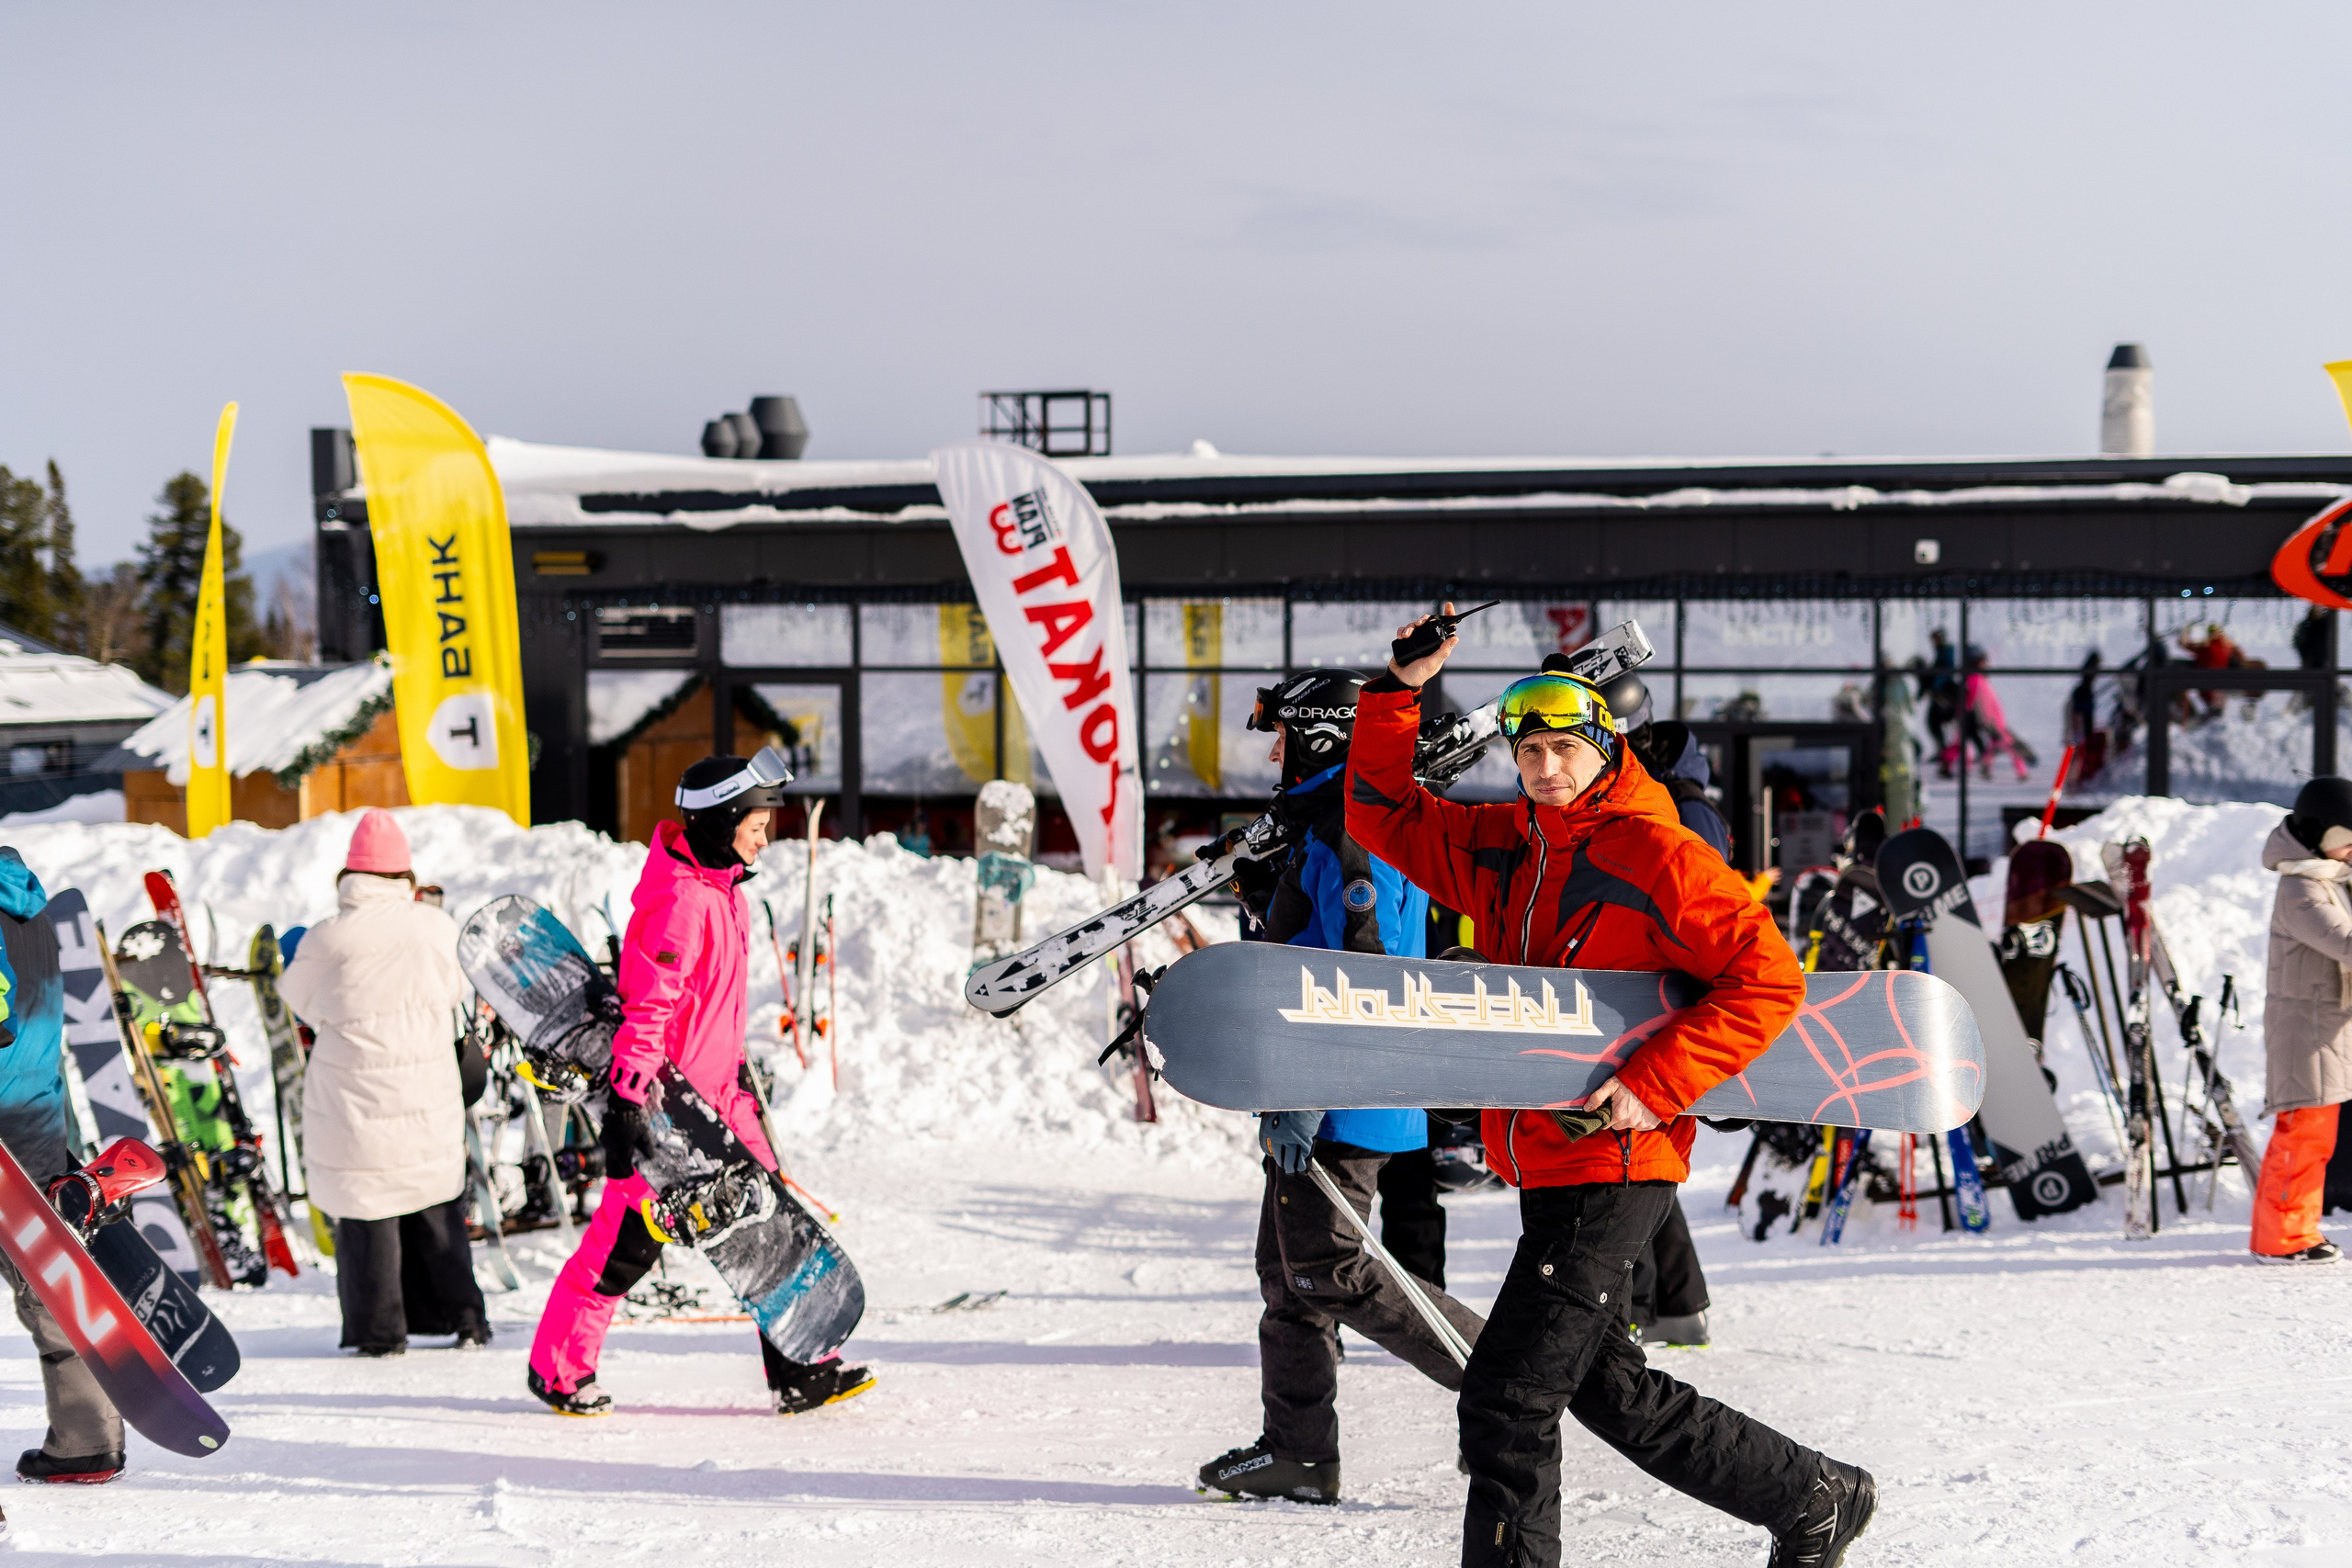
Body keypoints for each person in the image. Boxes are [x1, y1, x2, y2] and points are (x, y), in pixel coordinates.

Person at [1348, 607, 1874, 1568]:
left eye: (1562, 749)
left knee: (1507, 1403)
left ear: (1602, 744)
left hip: (1617, 1157)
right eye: (1528, 752)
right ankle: (1811, 1495)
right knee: (1608, 1389)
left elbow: (1768, 981)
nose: (1544, 770)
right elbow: (1381, 815)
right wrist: (1396, 695)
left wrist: (1653, 1082)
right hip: (1549, 1161)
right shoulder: (1513, 843)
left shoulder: (1658, 854)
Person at [1196, 670, 1485, 1506]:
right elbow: (1300, 945)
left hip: (1343, 1095)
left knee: (1331, 1269)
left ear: (1321, 736)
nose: (1274, 754)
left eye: (1283, 736)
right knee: (1287, 1275)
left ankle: (1506, 1386)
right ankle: (1299, 1451)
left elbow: (1361, 973)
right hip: (1311, 1086)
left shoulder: (1352, 829)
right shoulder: (1323, 824)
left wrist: (1309, 1089)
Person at [527, 750, 873, 1416]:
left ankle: (802, 1369)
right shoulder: (681, 901)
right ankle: (559, 1368)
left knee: (772, 1228)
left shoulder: (723, 889)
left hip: (723, 1101)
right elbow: (647, 1010)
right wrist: (627, 1106)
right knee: (623, 1249)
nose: (765, 835)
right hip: (668, 1113)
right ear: (724, 819)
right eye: (757, 822)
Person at [280, 810, 488, 1356]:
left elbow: (298, 999)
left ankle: (380, 1334)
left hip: (355, 1098)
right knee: (437, 1205)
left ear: (351, 875)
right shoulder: (437, 928)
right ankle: (461, 1318)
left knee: (367, 1213)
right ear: (404, 875)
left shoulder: (329, 937)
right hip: (428, 1089)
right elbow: (454, 991)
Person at [1590, 664, 1724, 1347]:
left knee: (1633, 1154)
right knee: (1637, 1150)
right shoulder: (1667, 793)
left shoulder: (1680, 807)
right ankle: (1680, 1300)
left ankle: (1641, 1305)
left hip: (1662, 1002)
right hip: (1640, 994)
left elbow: (1697, 909)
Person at [0, 847, 122, 1490]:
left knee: (41, 1279)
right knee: (46, 1279)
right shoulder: (32, 912)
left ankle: (85, 1438)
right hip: (37, 1116)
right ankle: (87, 1437)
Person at [2251, 777, 2352, 1263]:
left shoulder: (2329, 878)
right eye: (2347, 836)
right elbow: (2346, 944)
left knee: (2317, 1137)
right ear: (2320, 835)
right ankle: (2280, 1237)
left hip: (2326, 1027)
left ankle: (2301, 1229)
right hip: (2304, 1030)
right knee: (2301, 1135)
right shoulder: (2301, 890)